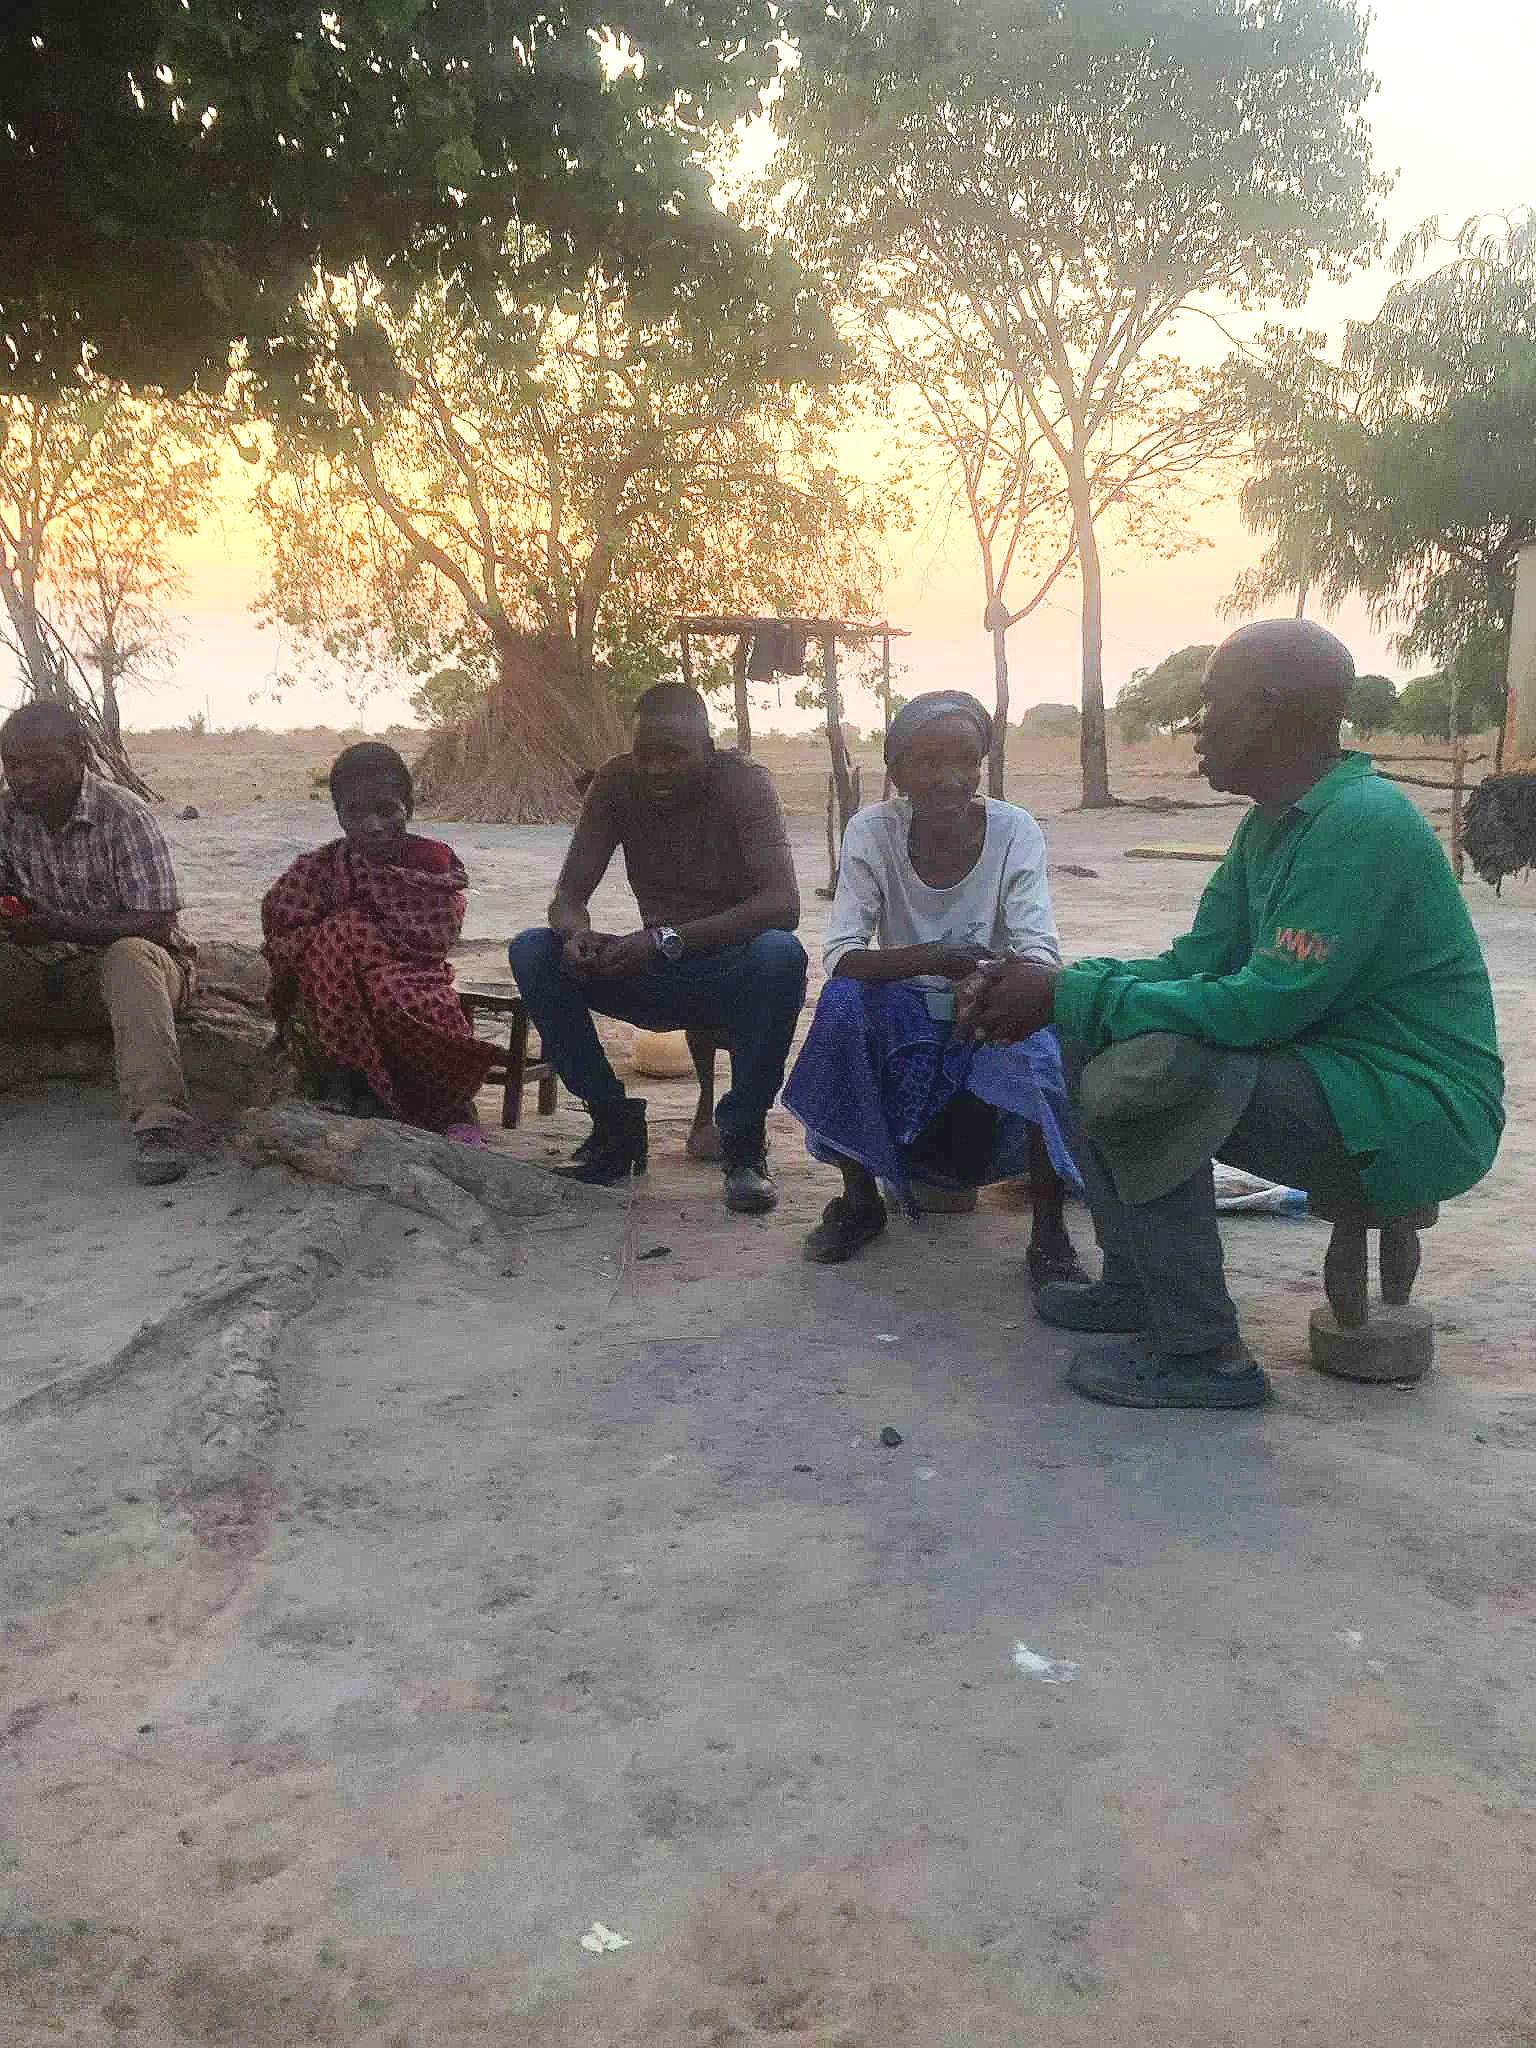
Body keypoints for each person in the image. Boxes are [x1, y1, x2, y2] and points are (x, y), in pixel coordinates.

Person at [957, 620, 1504, 1411]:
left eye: (1213, 705)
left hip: (1418, 1112)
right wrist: (1060, 986)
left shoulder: (1361, 824)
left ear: (1273, 711)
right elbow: (1195, 963)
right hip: (1341, 1084)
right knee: (1090, 1030)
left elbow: (1261, 1007)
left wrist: (1065, 990)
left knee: (1163, 1072)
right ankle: (1138, 1286)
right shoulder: (1273, 824)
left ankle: (1204, 1351)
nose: (1196, 728)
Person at [782, 690, 1086, 1278]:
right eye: (930, 761)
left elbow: (1038, 951)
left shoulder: (1014, 830)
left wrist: (989, 980)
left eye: (966, 761)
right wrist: (936, 957)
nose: (952, 778)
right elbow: (842, 956)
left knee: (1039, 1030)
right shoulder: (872, 831)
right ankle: (860, 1200)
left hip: (991, 996)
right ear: (895, 772)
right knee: (843, 1006)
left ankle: (1049, 1232)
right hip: (905, 1003)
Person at [508, 683, 806, 1213]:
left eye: (675, 755)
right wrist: (576, 935)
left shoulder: (745, 785)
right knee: (534, 950)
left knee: (780, 955)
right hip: (651, 968)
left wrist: (668, 939)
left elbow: (783, 905)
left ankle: (743, 1142)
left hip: (725, 972)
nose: (658, 769)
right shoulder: (615, 782)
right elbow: (568, 897)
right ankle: (614, 1125)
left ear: (708, 751)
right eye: (647, 755)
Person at [0, 700, 195, 1185]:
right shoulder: (6, 815)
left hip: (134, 976)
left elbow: (156, 925)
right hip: (44, 971)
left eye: (42, 763)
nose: (25, 777)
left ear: (80, 755)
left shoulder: (123, 814)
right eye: (13, 765)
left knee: (129, 958)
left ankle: (159, 1123)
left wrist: (62, 926)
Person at [261, 742, 497, 1133]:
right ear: (338, 815)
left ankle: (445, 1107)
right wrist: (343, 940)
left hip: (417, 979)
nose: (372, 825)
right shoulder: (318, 869)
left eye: (386, 811)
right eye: (355, 813)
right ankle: (348, 1081)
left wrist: (360, 939)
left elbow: (440, 928)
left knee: (401, 997)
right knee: (339, 943)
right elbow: (282, 925)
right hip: (329, 993)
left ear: (408, 808)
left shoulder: (431, 862)